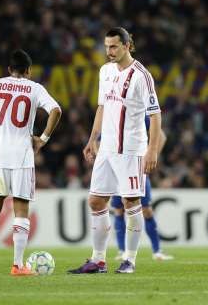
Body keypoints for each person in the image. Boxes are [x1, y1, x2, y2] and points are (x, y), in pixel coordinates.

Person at [68, 27, 162, 274]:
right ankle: (98, 260)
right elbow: (102, 107)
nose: (108, 51)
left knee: (131, 202)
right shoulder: (105, 71)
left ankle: (129, 260)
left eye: (113, 46)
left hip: (131, 150)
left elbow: (155, 115)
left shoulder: (142, 76)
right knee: (96, 200)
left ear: (127, 45)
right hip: (106, 149)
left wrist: (152, 151)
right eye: (106, 46)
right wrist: (92, 139)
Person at [0, 49, 62, 276]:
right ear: (29, 71)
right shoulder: (35, 88)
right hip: (22, 155)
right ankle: (17, 266)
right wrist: (43, 139)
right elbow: (56, 110)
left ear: (9, 69)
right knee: (20, 209)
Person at [112, 119, 173, 261]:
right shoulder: (113, 111)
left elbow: (161, 136)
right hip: (118, 169)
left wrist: (152, 156)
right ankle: (122, 251)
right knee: (119, 210)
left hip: (137, 167)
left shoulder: (138, 113)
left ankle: (157, 250)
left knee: (146, 209)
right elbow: (98, 140)